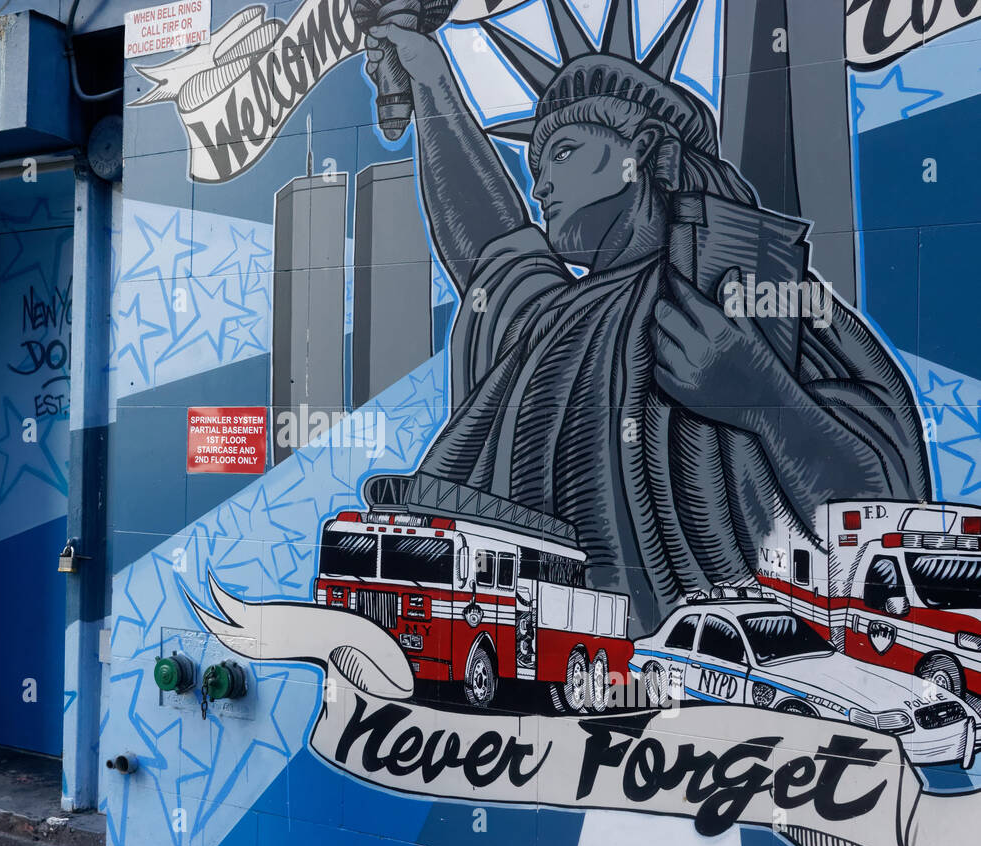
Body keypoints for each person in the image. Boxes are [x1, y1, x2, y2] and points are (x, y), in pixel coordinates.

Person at [363, 10, 930, 633]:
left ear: (644, 150)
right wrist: (432, 81)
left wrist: (766, 398)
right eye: (535, 168)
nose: (542, 182)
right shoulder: (556, 320)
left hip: (721, 677)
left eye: (565, 152)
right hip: (549, 684)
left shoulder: (741, 276)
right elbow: (491, 246)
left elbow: (887, 505)